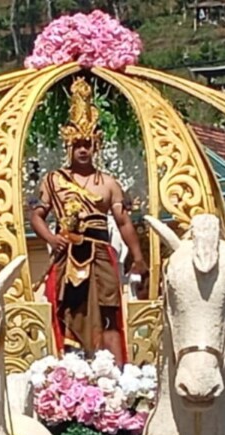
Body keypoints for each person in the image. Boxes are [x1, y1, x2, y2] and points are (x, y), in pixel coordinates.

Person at [28, 76, 147, 365]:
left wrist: (138, 256)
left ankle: (115, 369)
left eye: (88, 144)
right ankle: (71, 368)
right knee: (67, 309)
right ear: (69, 146)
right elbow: (36, 216)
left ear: (96, 146)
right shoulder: (53, 180)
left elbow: (123, 222)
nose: (83, 149)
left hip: (101, 256)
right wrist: (52, 238)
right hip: (67, 255)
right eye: (78, 144)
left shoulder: (108, 183)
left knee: (108, 310)